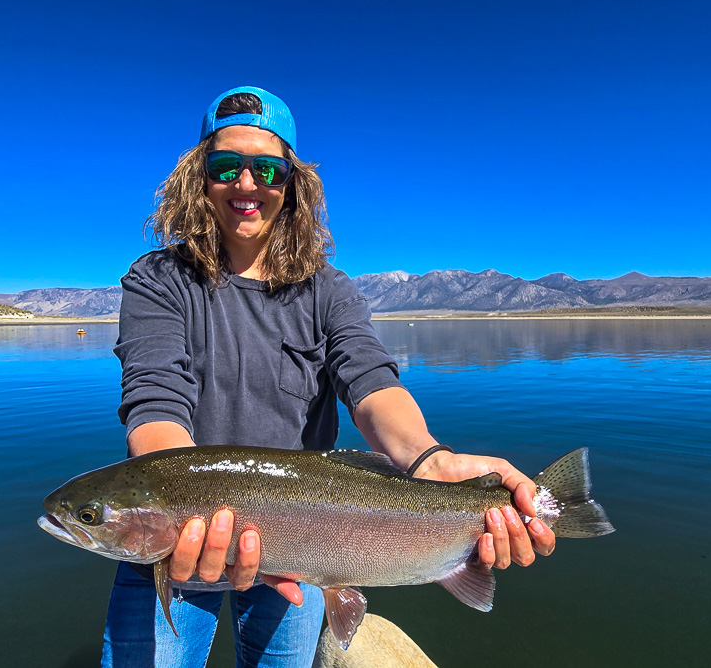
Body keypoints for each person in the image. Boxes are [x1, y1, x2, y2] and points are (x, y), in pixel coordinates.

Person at [103, 86, 556, 668]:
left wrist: (429, 460)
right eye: (226, 166)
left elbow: (371, 383)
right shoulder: (159, 280)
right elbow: (155, 398)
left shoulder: (328, 291)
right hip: (173, 550)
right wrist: (179, 511)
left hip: (308, 546)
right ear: (200, 177)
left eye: (267, 168)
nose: (246, 184)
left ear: (292, 183)